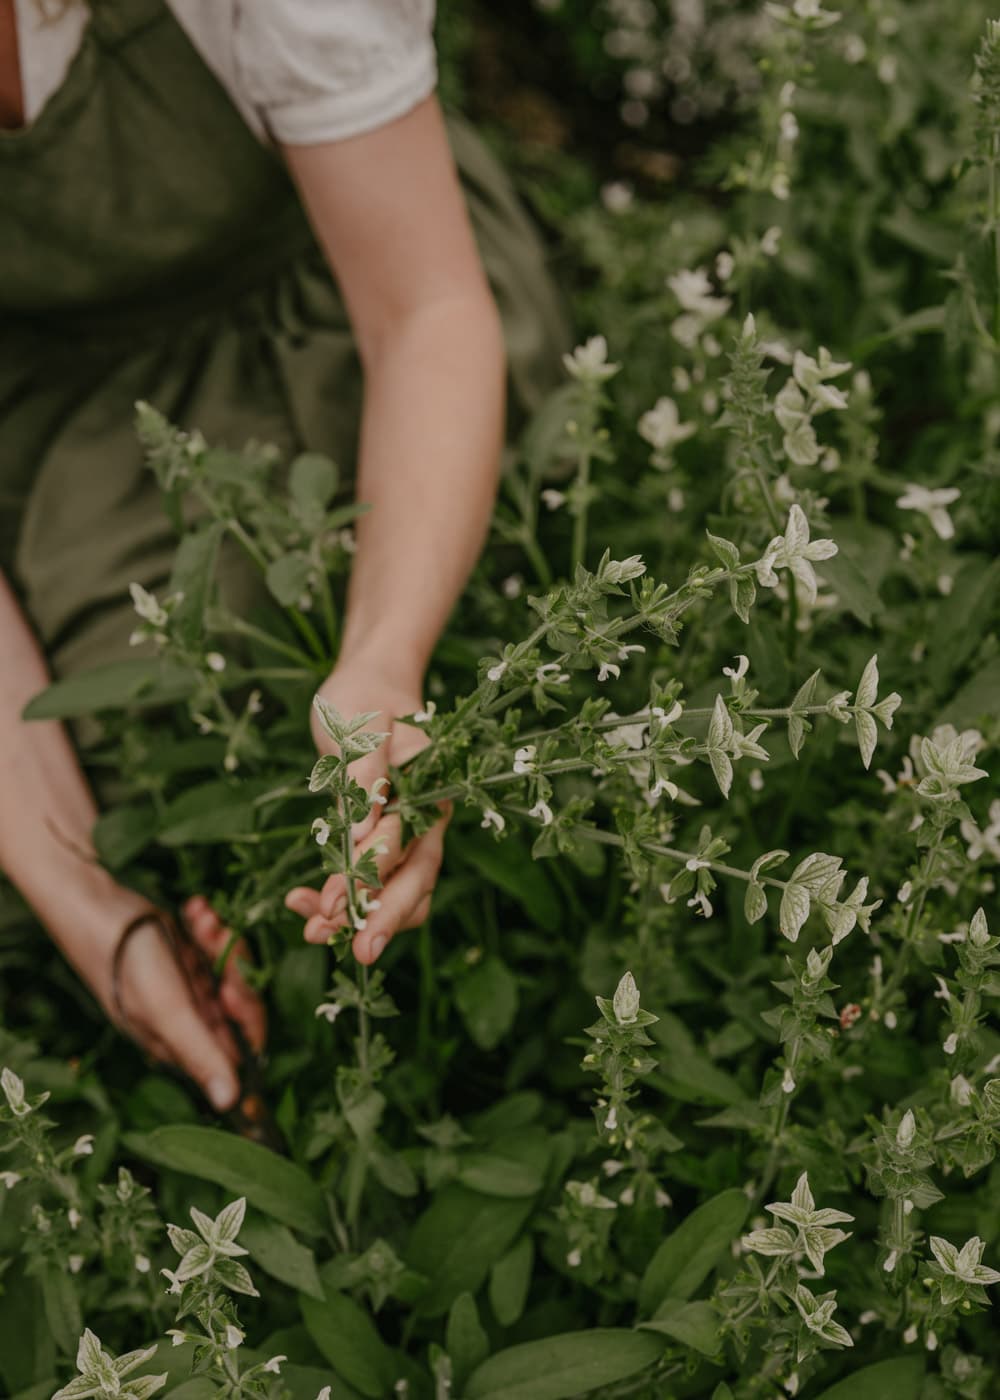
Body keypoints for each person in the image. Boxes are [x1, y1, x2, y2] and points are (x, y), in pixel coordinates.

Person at [0, 0, 571, 1112]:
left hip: (323, 283)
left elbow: (423, 312)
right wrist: (90, 901)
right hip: (41, 372)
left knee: (243, 711)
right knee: (80, 815)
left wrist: (381, 661)